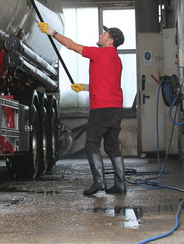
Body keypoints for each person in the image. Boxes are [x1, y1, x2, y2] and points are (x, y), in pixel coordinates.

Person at [37, 22, 126, 195]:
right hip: (116, 109)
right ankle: (120, 185)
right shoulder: (117, 59)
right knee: (112, 146)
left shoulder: (99, 53)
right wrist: (85, 87)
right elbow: (107, 84)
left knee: (91, 144)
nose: (101, 35)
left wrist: (52, 32)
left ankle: (99, 182)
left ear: (110, 41)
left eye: (104, 34)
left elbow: (71, 45)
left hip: (101, 109)